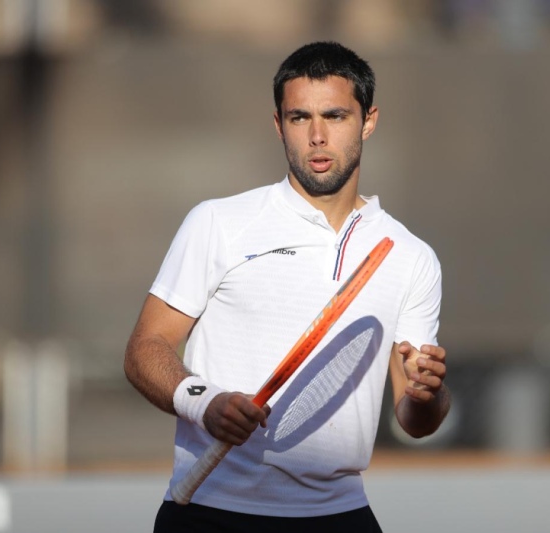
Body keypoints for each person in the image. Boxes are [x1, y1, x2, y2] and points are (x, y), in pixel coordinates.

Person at [124, 41, 450, 533]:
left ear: (368, 121)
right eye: (299, 118)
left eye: (335, 116)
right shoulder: (218, 222)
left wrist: (431, 394)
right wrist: (204, 401)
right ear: (279, 125)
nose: (317, 136)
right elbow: (145, 348)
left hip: (341, 515)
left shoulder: (411, 257)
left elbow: (415, 417)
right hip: (211, 512)